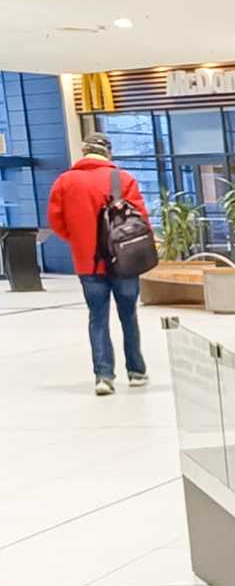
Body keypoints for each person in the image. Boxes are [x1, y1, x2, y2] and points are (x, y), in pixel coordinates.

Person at [47, 132, 150, 395]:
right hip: (124, 260)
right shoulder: (122, 179)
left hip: (88, 263)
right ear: (108, 152)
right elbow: (140, 219)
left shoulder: (64, 182)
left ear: (84, 152)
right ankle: (136, 371)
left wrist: (79, 240)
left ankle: (103, 377)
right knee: (128, 315)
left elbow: (56, 221)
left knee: (98, 318)